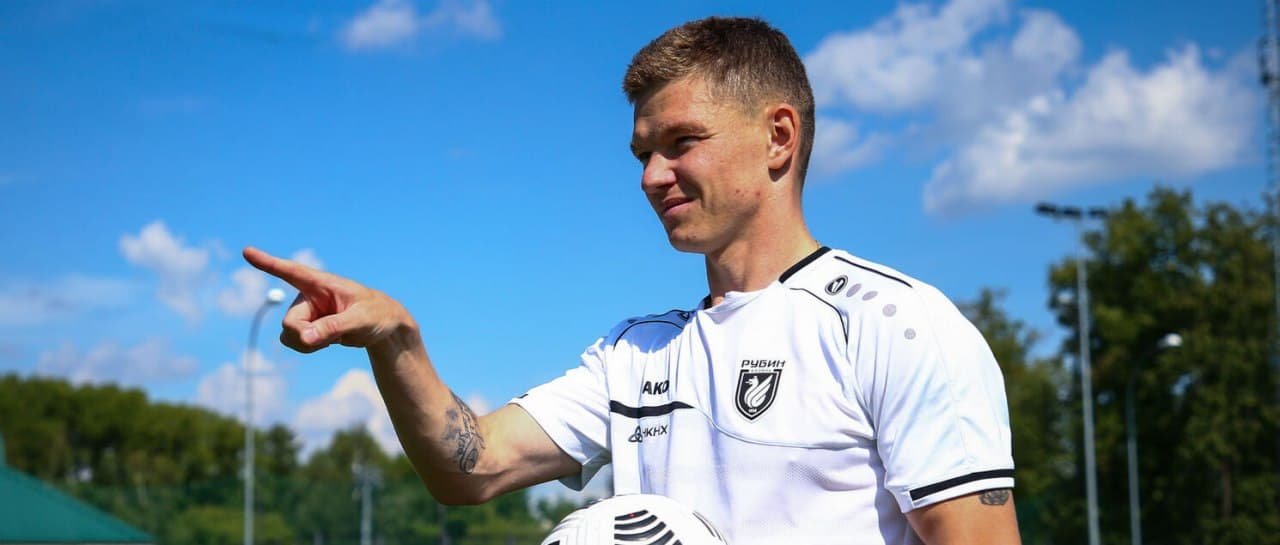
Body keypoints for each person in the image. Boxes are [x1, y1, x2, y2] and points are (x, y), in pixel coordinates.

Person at [244, 16, 1021, 545]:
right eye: (643, 153)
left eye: (682, 142)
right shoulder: (635, 355)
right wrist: (396, 340)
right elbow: (470, 466)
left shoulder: (894, 323)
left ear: (778, 137)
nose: (652, 175)